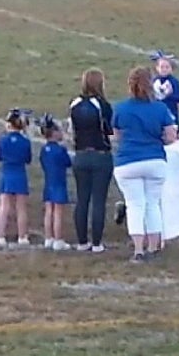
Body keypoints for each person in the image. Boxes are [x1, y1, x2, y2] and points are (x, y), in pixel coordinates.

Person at [112, 66, 178, 263]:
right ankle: (153, 246)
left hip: (127, 161)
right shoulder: (160, 108)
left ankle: (138, 250)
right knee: (152, 204)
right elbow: (171, 136)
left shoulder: (121, 108)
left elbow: (117, 136)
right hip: (154, 159)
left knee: (134, 205)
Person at [68, 68, 115, 253]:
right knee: (98, 200)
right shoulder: (103, 105)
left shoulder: (75, 104)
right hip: (100, 155)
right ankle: (96, 243)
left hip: (80, 155)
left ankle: (82, 241)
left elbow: (72, 129)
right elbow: (108, 130)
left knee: (82, 199)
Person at [0, 108, 33, 247]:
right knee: (21, 208)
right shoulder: (25, 142)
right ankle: (22, 237)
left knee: (4, 206)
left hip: (7, 174)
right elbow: (28, 159)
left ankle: (0, 236)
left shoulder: (2, 140)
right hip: (20, 174)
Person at [39, 114, 73, 251]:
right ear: (54, 133)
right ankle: (58, 239)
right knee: (58, 212)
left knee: (49, 211)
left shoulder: (44, 150)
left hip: (48, 182)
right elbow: (68, 162)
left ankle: (49, 238)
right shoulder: (60, 150)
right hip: (59, 182)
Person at [149, 50, 179, 133]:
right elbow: (150, 96)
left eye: (167, 67)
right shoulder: (154, 81)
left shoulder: (174, 81)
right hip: (157, 112)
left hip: (171, 112)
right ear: (157, 68)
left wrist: (169, 95)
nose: (164, 69)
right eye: (162, 67)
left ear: (171, 69)